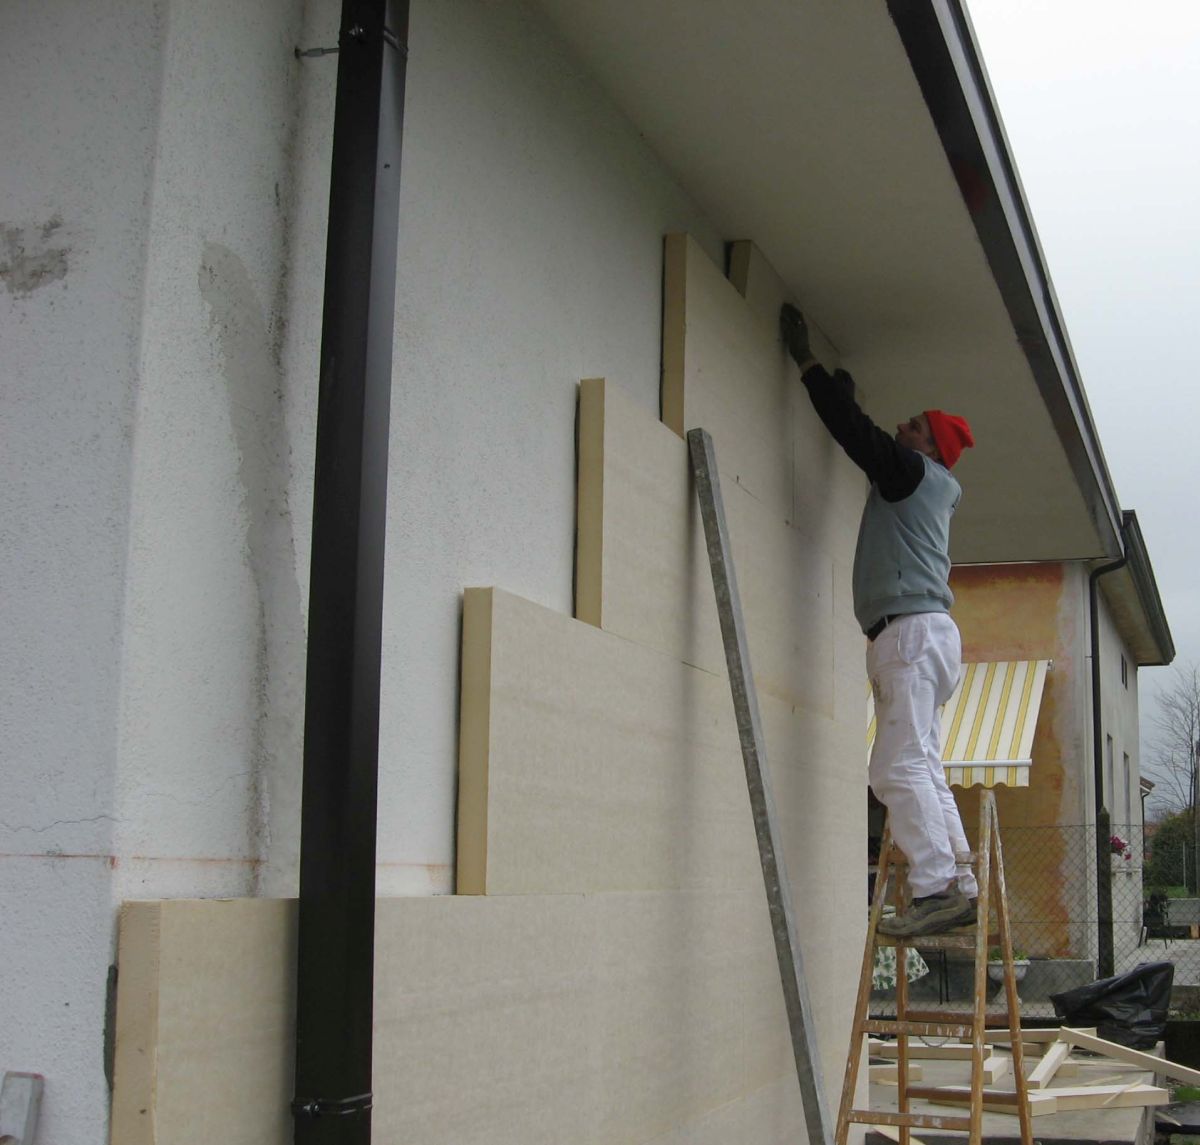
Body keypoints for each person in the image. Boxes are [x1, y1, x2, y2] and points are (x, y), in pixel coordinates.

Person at [780, 303, 978, 937]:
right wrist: (837, 393)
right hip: (926, 636)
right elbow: (862, 436)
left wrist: (811, 368)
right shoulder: (922, 482)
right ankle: (959, 883)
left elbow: (856, 435)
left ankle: (937, 887)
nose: (902, 426)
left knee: (895, 768)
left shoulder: (915, 473)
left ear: (930, 447)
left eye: (913, 425)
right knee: (921, 764)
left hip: (910, 634)